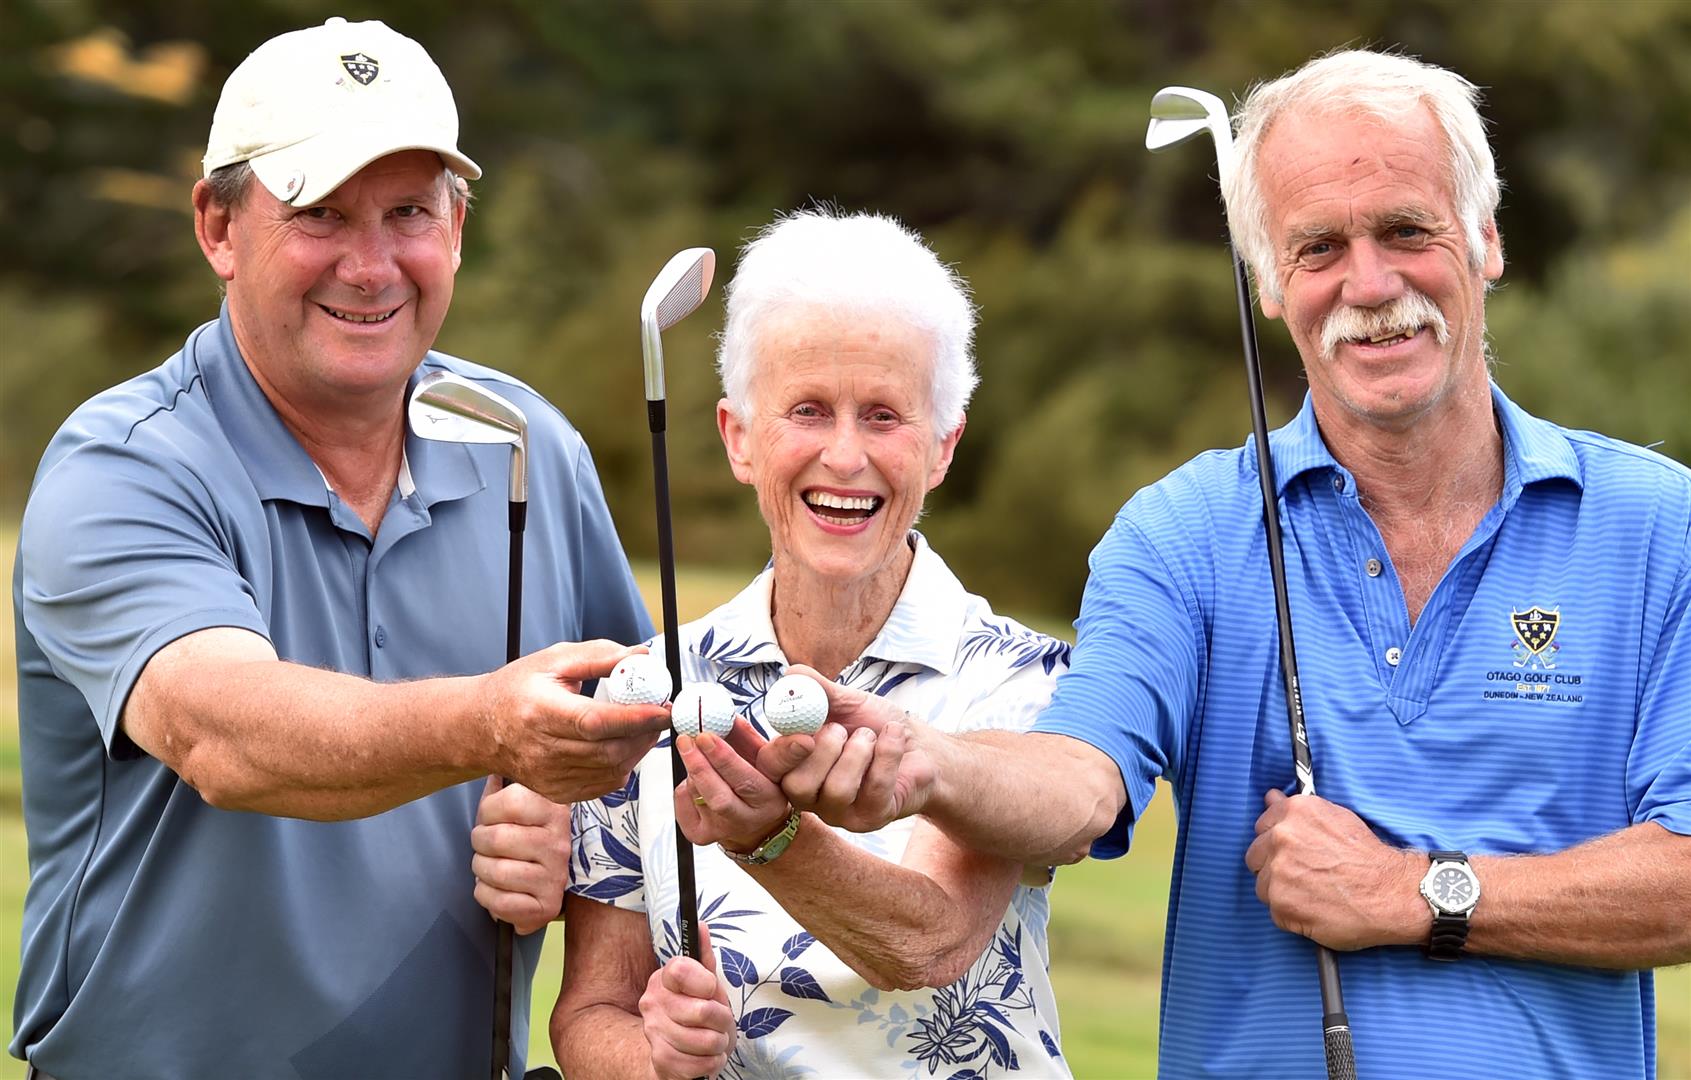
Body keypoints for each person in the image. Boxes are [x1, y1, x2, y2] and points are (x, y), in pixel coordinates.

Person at [760, 51, 1691, 1078]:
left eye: (1405, 230)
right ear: (1265, 285)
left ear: (1483, 240)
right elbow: (1080, 782)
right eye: (1317, 247)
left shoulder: (1656, 527)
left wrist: (1416, 893)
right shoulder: (1181, 533)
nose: (1369, 284)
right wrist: (923, 763)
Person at [10, 18, 669, 1079]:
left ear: (456, 228)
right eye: (319, 213)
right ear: (218, 228)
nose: (371, 265)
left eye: (408, 212)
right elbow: (224, 733)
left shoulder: (531, 445)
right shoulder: (121, 466)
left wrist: (573, 838)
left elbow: (640, 756)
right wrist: (492, 724)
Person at [531, 209, 1072, 1079]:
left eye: (885, 415)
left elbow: (927, 941)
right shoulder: (643, 690)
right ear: (739, 438)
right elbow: (592, 1010)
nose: (845, 456)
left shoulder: (1022, 680)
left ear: (943, 446)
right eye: (808, 411)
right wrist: (656, 1056)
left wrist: (767, 837)